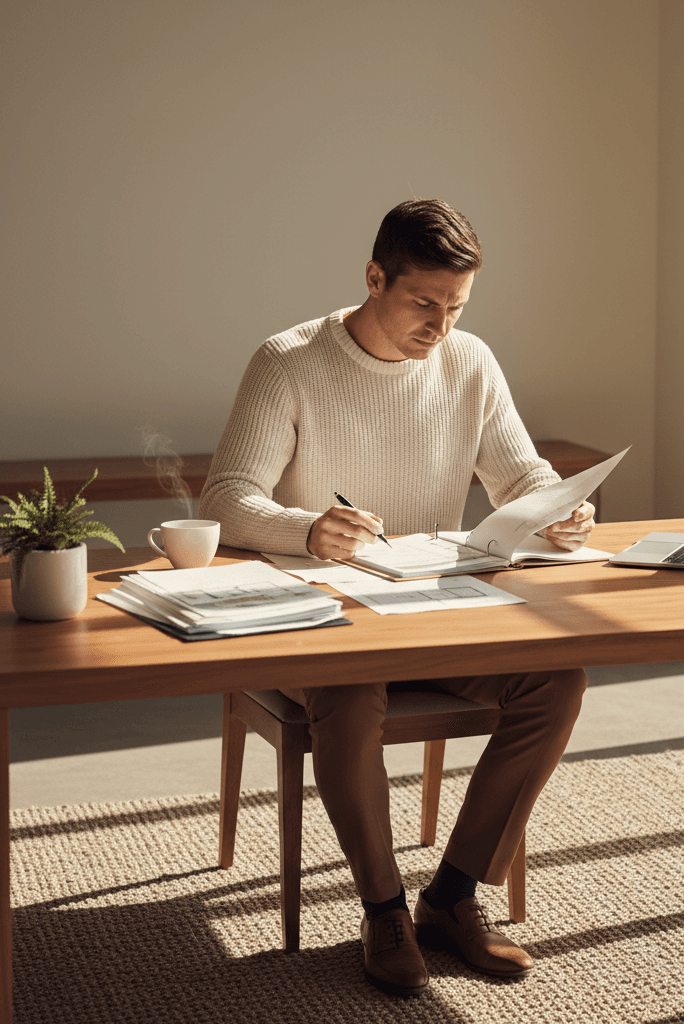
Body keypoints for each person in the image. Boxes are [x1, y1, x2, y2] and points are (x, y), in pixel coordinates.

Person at [199, 199, 593, 996]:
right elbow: (225, 499)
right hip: (324, 618)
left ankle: (450, 897)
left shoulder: (469, 362)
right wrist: (307, 528)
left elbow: (522, 477)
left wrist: (561, 510)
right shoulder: (290, 361)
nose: (441, 326)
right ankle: (382, 911)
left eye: (457, 307)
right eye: (424, 303)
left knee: (556, 683)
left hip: (434, 610)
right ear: (375, 277)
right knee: (351, 695)